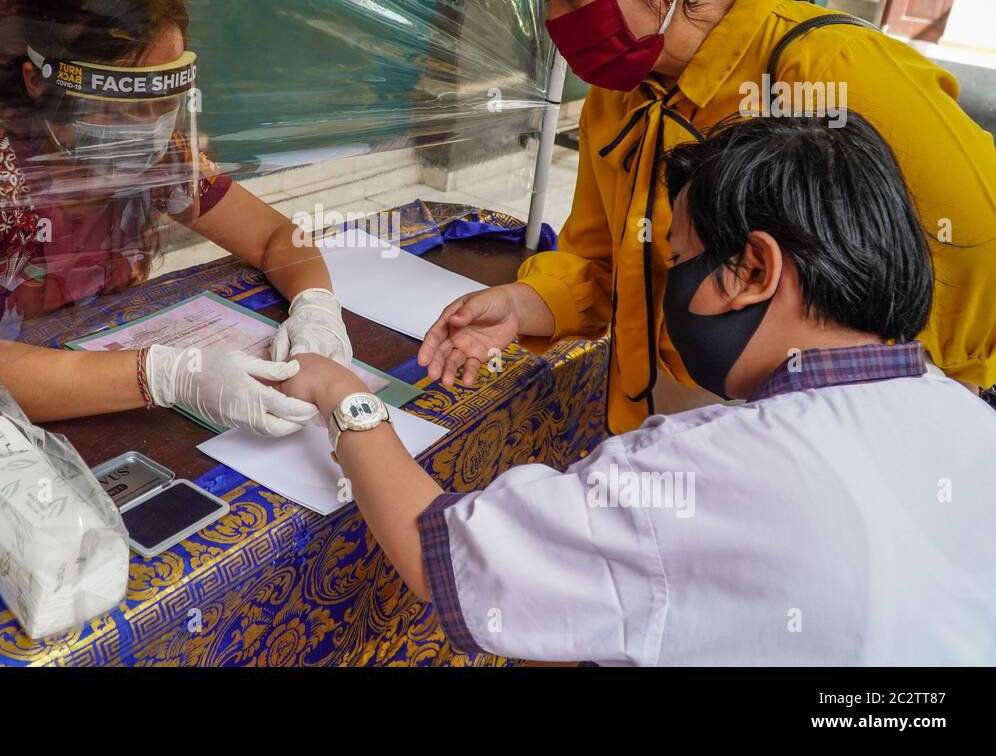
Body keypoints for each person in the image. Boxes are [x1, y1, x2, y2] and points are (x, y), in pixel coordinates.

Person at [278, 111, 996, 665]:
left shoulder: (709, 470)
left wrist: (346, 397)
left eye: (679, 261)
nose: (667, 290)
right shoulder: (969, 420)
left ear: (752, 269)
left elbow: (451, 560)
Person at [419, 0, 996, 433]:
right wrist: (519, 305)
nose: (556, 24)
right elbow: (594, 265)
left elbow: (979, 243)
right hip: (673, 403)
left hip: (838, 419)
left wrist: (912, 402)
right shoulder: (620, 98)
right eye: (546, 0)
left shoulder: (828, 68)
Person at [0, 0, 349, 431]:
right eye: (121, 106)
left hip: (94, 392)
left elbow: (274, 239)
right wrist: (168, 375)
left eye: (163, 100)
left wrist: (315, 307)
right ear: (38, 83)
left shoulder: (165, 157)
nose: (148, 126)